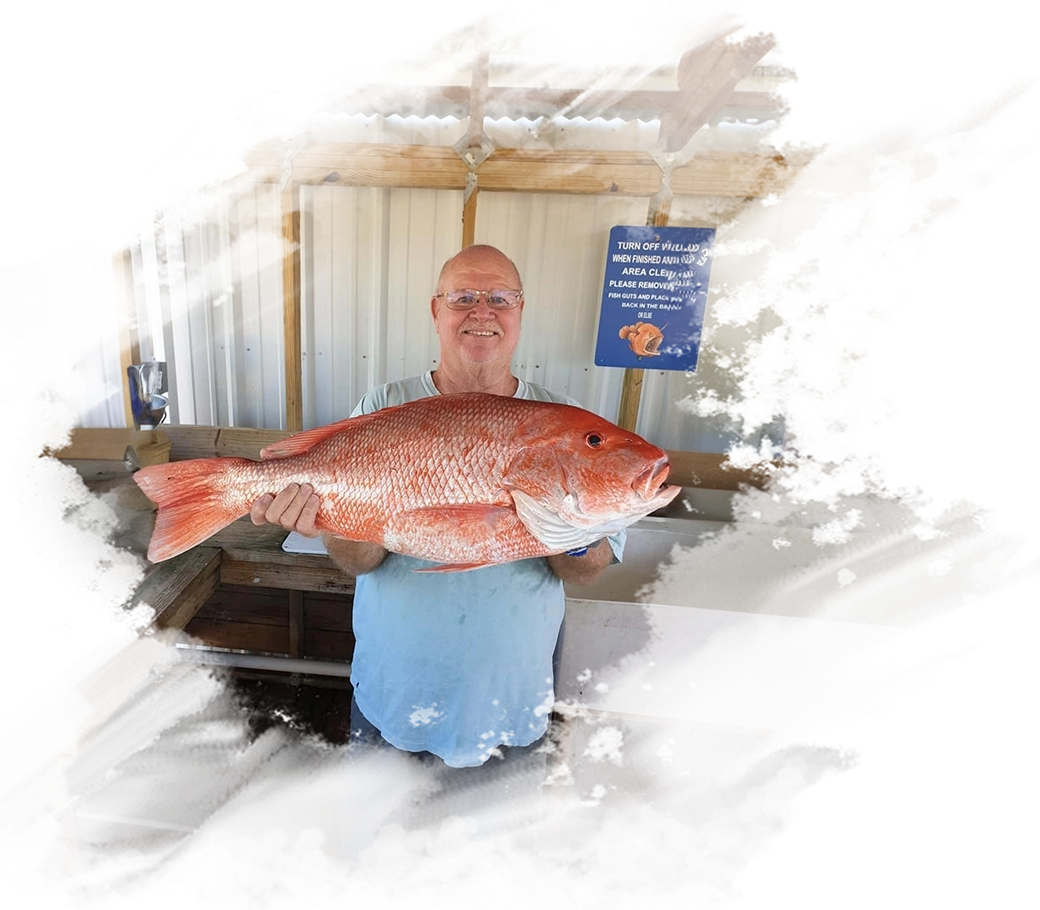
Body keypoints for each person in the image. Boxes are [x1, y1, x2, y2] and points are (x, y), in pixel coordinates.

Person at [250, 244, 623, 910]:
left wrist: (572, 522)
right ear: (436, 311)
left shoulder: (565, 422)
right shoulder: (385, 405)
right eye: (464, 298)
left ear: (521, 313)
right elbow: (359, 559)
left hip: (508, 706)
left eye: (499, 298)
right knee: (377, 889)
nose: (482, 312)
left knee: (502, 897)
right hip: (396, 699)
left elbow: (589, 569)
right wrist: (330, 517)